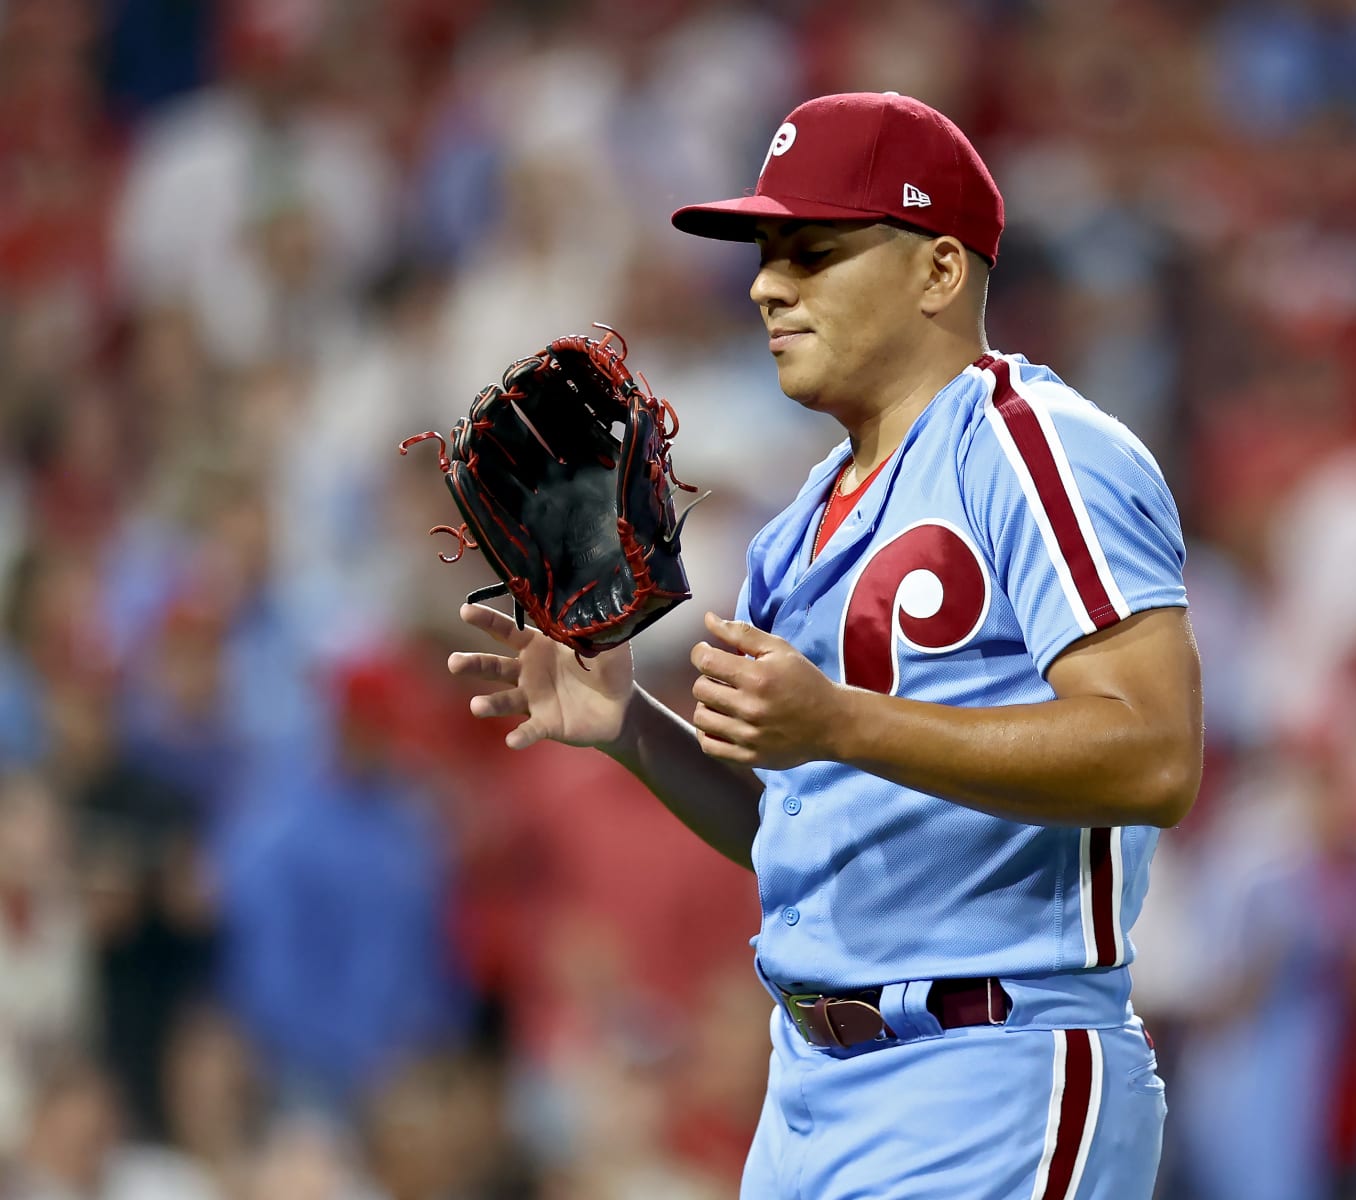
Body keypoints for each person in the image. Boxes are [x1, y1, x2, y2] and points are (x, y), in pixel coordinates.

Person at [447, 91, 1204, 1199]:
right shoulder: (798, 528)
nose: (766, 283)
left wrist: (840, 721)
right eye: (765, 253)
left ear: (939, 272)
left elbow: (1157, 754)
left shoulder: (1036, 450)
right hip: (812, 1085)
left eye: (814, 251)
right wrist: (630, 732)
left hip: (994, 1066)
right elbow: (801, 841)